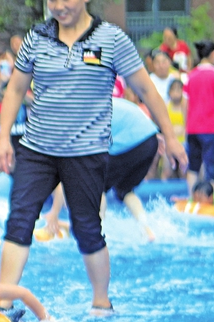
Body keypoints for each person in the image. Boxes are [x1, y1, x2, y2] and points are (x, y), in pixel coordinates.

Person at [0, 0, 187, 313]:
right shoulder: (36, 38)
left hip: (87, 151)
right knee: (19, 220)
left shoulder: (111, 38)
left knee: (87, 226)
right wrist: (3, 138)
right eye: (51, 1)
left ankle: (101, 301)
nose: (58, 6)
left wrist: (172, 137)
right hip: (37, 148)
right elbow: (16, 89)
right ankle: (3, 305)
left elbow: (147, 90)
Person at [46, 98, 160, 242]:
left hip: (133, 140)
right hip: (151, 139)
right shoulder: (87, 103)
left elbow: (64, 176)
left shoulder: (75, 121)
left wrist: (54, 214)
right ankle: (146, 229)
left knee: (96, 184)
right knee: (124, 189)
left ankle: (97, 230)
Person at [185, 40, 214, 195]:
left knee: (193, 165)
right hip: (211, 127)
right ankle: (211, 198)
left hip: (192, 128)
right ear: (213, 54)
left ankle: (192, 197)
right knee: (212, 165)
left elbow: (186, 103)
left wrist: (187, 124)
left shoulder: (190, 75)